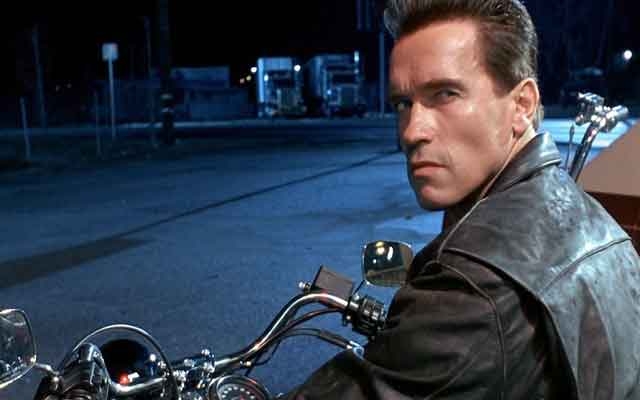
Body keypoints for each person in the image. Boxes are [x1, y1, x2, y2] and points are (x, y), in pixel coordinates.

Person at [284, 0, 640, 399]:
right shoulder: (594, 220)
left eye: (445, 94)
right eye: (403, 104)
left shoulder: (473, 288)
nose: (412, 131)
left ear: (521, 106)